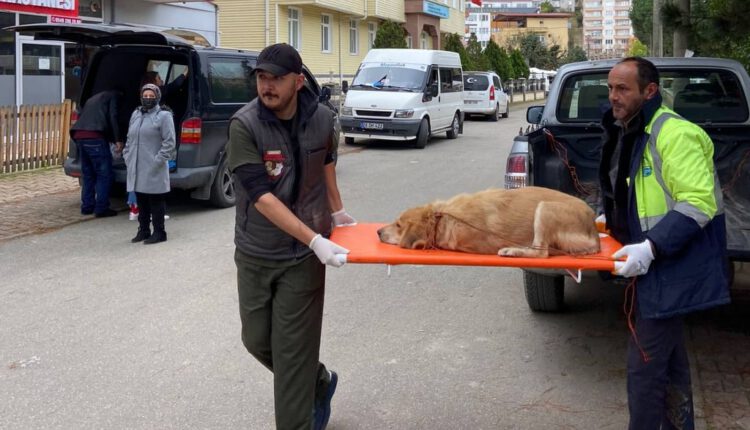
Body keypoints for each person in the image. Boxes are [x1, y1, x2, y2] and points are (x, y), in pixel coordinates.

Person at [226, 43, 356, 430]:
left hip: (303, 260)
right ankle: (316, 382)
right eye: (262, 78)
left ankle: (299, 411)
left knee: (293, 350)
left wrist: (336, 212)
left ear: (298, 82)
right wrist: (316, 239)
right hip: (256, 251)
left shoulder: (322, 119)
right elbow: (261, 198)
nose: (267, 86)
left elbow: (327, 161)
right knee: (257, 341)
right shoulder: (244, 126)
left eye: (276, 78)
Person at [599, 57, 730, 429]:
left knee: (645, 370)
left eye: (622, 88)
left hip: (673, 265)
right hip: (657, 266)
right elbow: (637, 192)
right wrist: (610, 222)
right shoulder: (634, 130)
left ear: (650, 91)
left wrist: (650, 247)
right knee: (670, 364)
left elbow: (698, 202)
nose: (613, 97)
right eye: (610, 88)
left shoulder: (673, 134)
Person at [123, 84, 176, 244]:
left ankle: (160, 232)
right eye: (145, 96)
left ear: (157, 97)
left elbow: (169, 142)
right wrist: (127, 155)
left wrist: (158, 160)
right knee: (141, 199)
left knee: (155, 200)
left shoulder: (164, 116)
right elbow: (129, 138)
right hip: (136, 165)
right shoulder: (136, 114)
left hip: (154, 165)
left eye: (151, 96)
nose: (147, 99)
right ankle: (143, 230)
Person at [70, 90, 123, 217]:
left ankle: (87, 207)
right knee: (104, 174)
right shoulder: (114, 96)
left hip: (79, 136)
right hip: (95, 137)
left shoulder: (93, 98)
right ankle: (101, 208)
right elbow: (112, 116)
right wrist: (117, 139)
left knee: (88, 174)